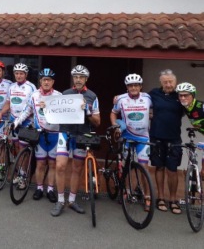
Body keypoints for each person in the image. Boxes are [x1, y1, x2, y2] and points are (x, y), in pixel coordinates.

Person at [52, 65, 100, 217]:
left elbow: (97, 122)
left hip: (82, 135)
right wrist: (45, 107)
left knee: (77, 168)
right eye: (76, 77)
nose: (78, 79)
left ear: (86, 79)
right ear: (73, 78)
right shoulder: (65, 94)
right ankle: (60, 200)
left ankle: (72, 200)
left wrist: (88, 112)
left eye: (81, 77)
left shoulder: (92, 96)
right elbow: (55, 111)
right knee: (60, 166)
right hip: (65, 133)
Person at [13, 68, 60, 202]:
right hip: (40, 135)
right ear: (40, 81)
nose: (46, 82)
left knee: (52, 164)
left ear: (53, 82)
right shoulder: (34, 96)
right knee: (40, 164)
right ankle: (39, 188)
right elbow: (27, 111)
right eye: (44, 80)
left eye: (49, 80)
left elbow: (64, 114)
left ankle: (50, 189)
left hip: (54, 135)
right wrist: (16, 122)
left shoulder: (59, 96)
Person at [110, 73, 153, 211]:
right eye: (130, 85)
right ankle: (125, 191)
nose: (133, 87)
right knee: (124, 166)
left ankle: (147, 197)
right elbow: (113, 113)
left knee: (144, 168)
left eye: (136, 85)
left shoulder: (148, 98)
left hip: (143, 138)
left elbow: (155, 109)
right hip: (127, 136)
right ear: (127, 87)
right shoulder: (120, 99)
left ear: (140, 86)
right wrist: (115, 125)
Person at [149, 69, 184, 214]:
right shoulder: (153, 94)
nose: (168, 84)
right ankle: (161, 198)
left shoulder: (180, 96)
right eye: (165, 82)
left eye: (170, 82)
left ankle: (173, 199)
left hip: (174, 137)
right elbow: (135, 96)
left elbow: (193, 105)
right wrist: (118, 97)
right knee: (159, 167)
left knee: (172, 170)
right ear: (161, 82)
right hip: (156, 136)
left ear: (175, 82)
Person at [0, 63, 36, 180]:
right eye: (17, 73)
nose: (19, 76)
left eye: (21, 73)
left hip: (26, 122)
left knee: (23, 149)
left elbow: (33, 106)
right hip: (13, 121)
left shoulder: (31, 87)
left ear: (26, 74)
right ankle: (20, 171)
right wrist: (0, 114)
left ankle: (23, 175)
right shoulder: (11, 87)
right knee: (16, 147)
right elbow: (8, 103)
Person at [175, 82, 204, 178]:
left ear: (193, 95)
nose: (183, 98)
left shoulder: (201, 106)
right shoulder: (185, 107)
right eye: (180, 95)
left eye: (186, 95)